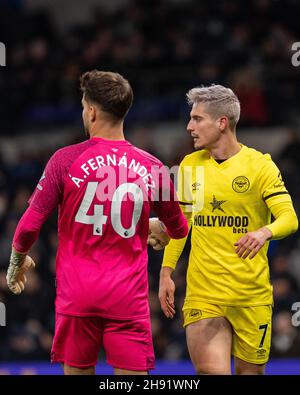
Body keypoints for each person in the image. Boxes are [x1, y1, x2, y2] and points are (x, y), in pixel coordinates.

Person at [6, 70, 188, 375]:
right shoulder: (153, 166)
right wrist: (153, 227)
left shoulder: (64, 160)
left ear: (90, 111)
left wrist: (16, 262)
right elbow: (179, 229)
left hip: (77, 298)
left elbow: (28, 226)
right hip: (128, 300)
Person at [157, 84, 298, 375]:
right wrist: (166, 272)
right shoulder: (189, 165)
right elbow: (179, 225)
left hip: (251, 295)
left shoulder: (261, 166)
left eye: (197, 119)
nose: (189, 127)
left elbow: (290, 218)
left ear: (222, 123)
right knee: (210, 371)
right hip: (204, 294)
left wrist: (264, 232)